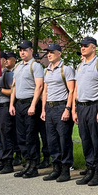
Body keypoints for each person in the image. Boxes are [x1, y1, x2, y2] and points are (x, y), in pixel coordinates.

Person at [72, 37, 98, 186]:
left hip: (94, 106)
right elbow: (76, 88)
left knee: (96, 140)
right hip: (81, 106)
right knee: (86, 139)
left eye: (86, 46)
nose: (83, 48)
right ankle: (90, 169)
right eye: (81, 46)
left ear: (93, 47)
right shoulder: (80, 65)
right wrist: (75, 109)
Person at [41, 43, 76, 182]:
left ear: (59, 53)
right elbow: (45, 91)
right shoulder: (46, 70)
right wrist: (44, 109)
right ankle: (56, 167)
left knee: (64, 139)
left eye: (52, 52)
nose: (49, 54)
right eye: (48, 52)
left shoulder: (66, 69)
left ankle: (66, 169)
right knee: (52, 139)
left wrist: (68, 109)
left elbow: (72, 90)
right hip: (49, 108)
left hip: (61, 106)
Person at [10, 41, 45, 178]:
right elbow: (14, 86)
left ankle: (34, 165)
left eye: (25, 50)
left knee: (31, 135)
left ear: (31, 50)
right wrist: (12, 104)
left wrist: (33, 105)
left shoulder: (35, 66)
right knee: (21, 136)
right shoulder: (18, 66)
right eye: (20, 50)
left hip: (31, 103)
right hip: (19, 104)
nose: (22, 52)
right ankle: (27, 163)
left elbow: (39, 87)